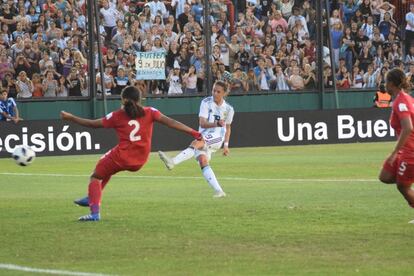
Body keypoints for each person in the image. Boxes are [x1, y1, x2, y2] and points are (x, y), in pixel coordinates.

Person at [61, 86, 204, 221]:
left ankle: (94, 213)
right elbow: (171, 122)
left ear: (123, 100)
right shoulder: (150, 112)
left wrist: (70, 117)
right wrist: (195, 132)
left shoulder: (117, 116)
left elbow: (93, 124)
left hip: (121, 157)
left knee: (95, 177)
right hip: (140, 160)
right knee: (106, 170)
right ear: (139, 99)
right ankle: (92, 197)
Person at [158, 80, 234, 198]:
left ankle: (173, 162)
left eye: (218, 92)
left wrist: (226, 145)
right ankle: (219, 191)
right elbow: (202, 123)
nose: (215, 93)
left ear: (224, 93)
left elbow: (228, 128)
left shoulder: (229, 109)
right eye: (214, 90)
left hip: (217, 138)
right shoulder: (206, 102)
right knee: (203, 161)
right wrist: (216, 123)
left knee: (196, 143)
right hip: (203, 134)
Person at [378, 68, 414, 223]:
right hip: (404, 149)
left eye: (386, 81)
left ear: (391, 83)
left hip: (410, 151)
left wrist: (394, 152)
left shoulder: (401, 102)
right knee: (385, 176)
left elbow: (408, 127)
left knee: (402, 186)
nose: (384, 84)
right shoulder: (405, 98)